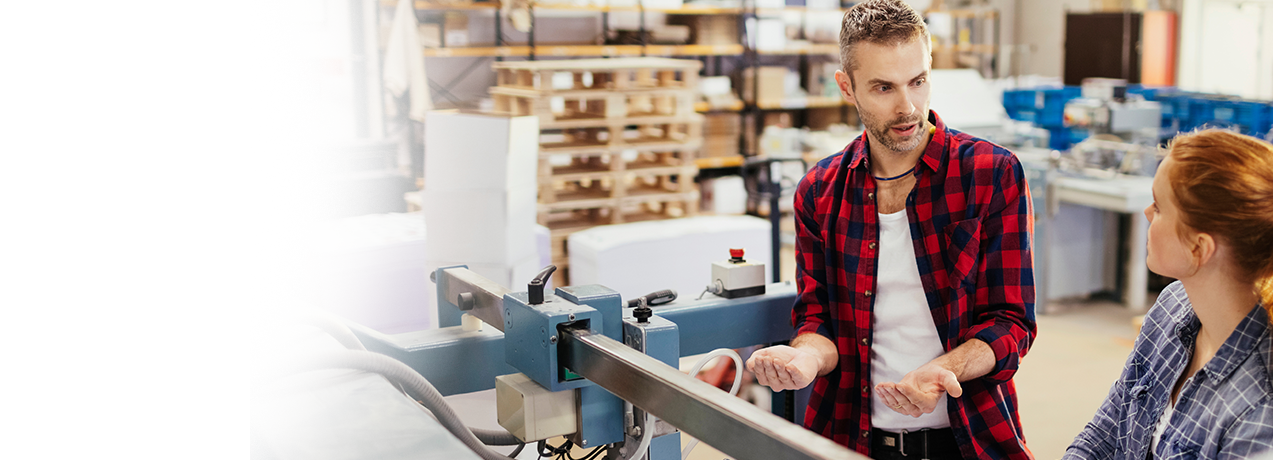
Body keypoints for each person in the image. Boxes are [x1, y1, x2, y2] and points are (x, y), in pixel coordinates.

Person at [742, 0, 1037, 458]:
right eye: (883, 87)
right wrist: (806, 357)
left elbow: (1012, 322)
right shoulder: (819, 191)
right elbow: (818, 318)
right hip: (849, 437)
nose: (907, 107)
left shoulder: (990, 174)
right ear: (847, 86)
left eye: (918, 81)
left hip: (967, 440)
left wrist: (945, 369)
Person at [1064, 129, 1273, 459]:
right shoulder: (1172, 305)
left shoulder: (1259, 407)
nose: (1147, 213)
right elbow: (1108, 430)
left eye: (1159, 207)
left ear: (1199, 247)